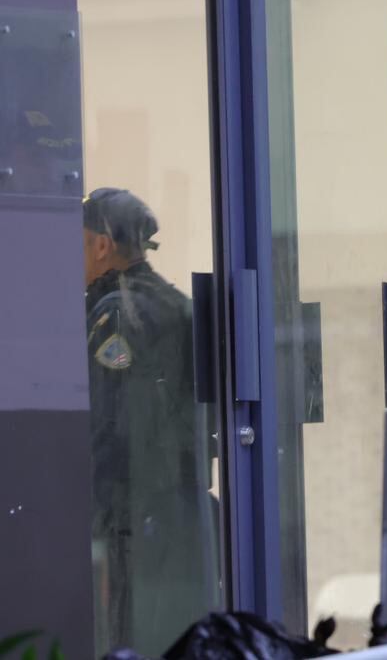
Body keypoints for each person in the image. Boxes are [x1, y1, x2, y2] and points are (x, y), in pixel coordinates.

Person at [84, 187, 217, 655]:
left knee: (126, 638)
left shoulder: (114, 314)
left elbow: (106, 428)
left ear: (101, 245)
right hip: (178, 513)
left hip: (130, 520)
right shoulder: (182, 307)